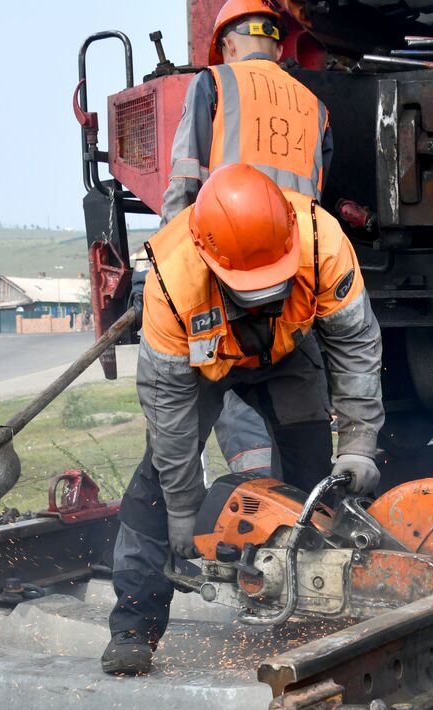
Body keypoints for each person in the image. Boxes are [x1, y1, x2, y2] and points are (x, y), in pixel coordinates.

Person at [102, 164, 383, 675]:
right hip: (202, 369)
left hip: (289, 354)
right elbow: (169, 413)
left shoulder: (323, 241)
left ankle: (309, 610)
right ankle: (133, 628)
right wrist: (184, 506)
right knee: (155, 489)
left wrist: (359, 440)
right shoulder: (172, 280)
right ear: (211, 260)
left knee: (314, 484)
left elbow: (356, 346)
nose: (265, 296)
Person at [161, 0, 337, 482]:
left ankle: (228, 508)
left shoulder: (213, 84)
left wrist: (168, 276)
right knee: (301, 422)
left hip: (224, 267)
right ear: (281, 48)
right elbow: (317, 198)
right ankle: (299, 522)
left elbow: (184, 183)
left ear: (228, 44)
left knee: (203, 388)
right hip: (293, 276)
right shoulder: (315, 108)